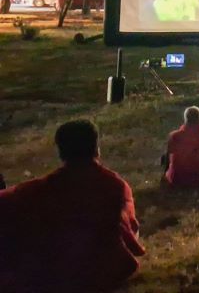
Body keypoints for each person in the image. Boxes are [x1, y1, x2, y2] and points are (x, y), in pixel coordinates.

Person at [0, 120, 145, 292]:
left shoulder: (42, 189)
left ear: (61, 151)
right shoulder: (116, 186)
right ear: (96, 148)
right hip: (103, 272)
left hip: (53, 272)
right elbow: (128, 228)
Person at [164, 106, 199, 187]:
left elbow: (169, 155)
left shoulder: (175, 136)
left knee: (166, 155)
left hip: (178, 179)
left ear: (185, 119)